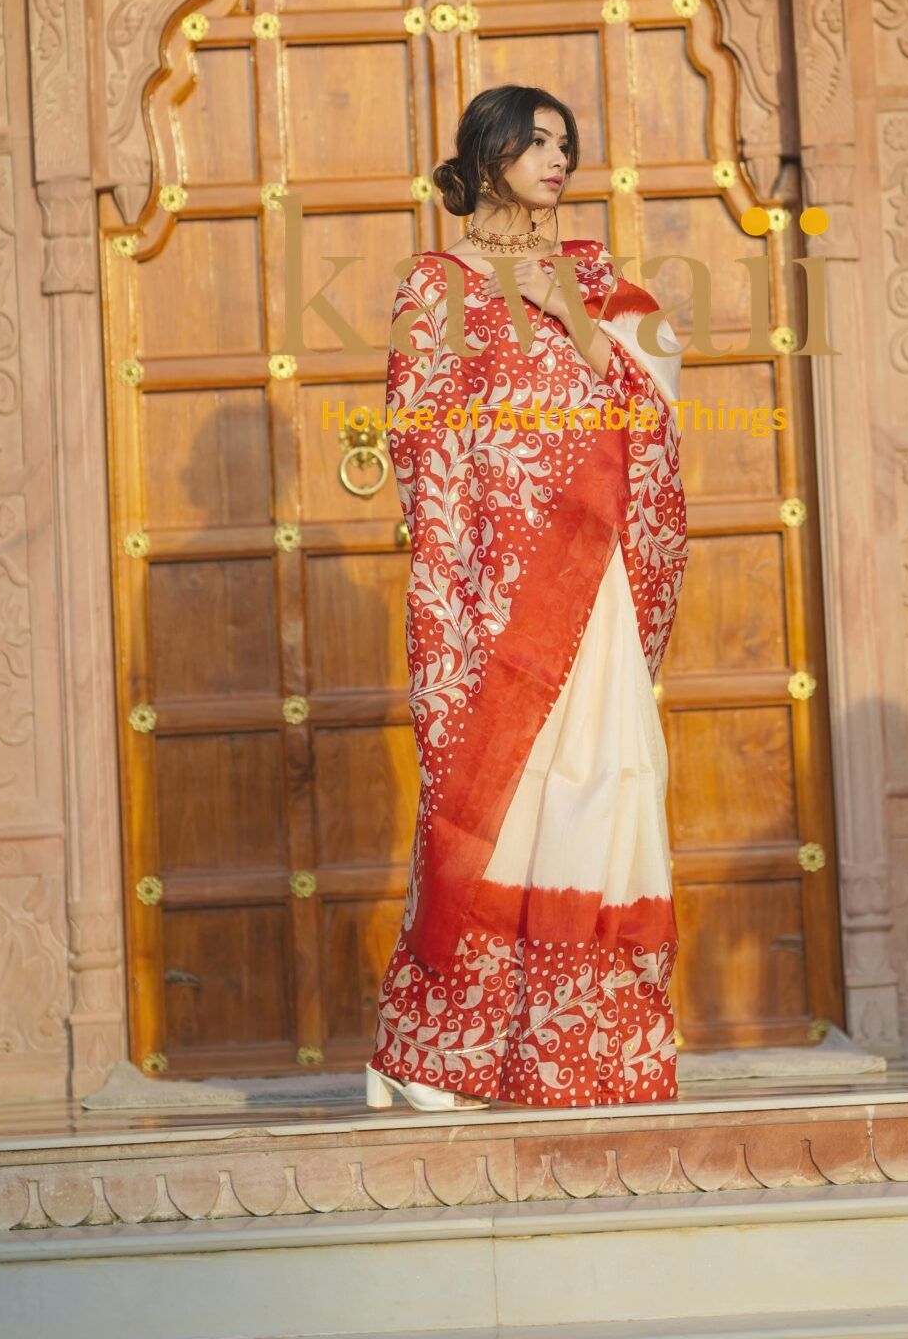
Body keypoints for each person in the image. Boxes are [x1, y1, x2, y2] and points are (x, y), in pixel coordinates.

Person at [365, 84, 689, 1111]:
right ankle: (433, 1053)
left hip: (588, 577)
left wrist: (567, 310)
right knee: (494, 797)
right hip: (492, 581)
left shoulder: (598, 281)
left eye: (565, 140)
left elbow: (655, 400)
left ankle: (575, 1049)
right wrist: (458, 573)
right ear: (487, 152)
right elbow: (423, 434)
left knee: (601, 783)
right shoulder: (439, 282)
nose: (557, 156)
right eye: (536, 139)